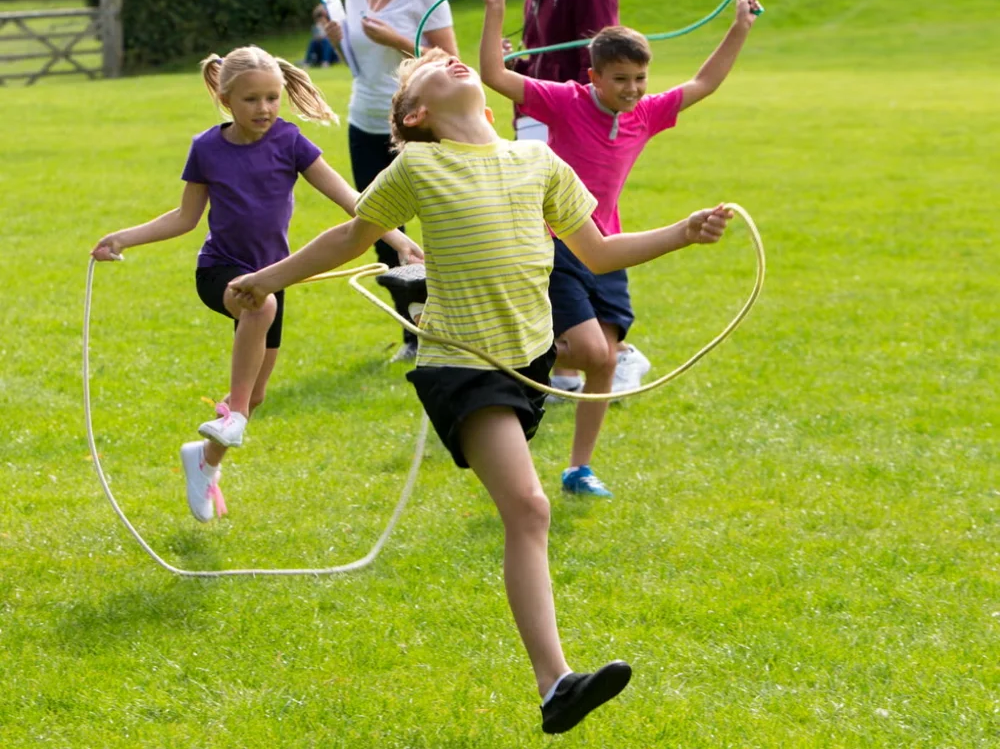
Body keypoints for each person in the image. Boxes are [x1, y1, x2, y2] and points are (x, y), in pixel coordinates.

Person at [226, 37, 733, 732]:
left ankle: (555, 684)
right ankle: (556, 683)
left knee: (528, 508)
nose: (449, 57)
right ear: (414, 115)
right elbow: (349, 238)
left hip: (524, 361)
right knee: (529, 508)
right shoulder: (419, 165)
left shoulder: (536, 160)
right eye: (431, 68)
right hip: (461, 363)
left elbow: (598, 250)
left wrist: (683, 231)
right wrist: (263, 279)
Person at [90, 45, 421, 523]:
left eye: (272, 98)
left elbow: (349, 198)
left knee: (260, 384)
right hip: (220, 271)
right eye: (251, 100)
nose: (264, 109)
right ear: (226, 100)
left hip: (273, 276)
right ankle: (235, 415)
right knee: (258, 309)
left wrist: (398, 242)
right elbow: (185, 218)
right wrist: (124, 236)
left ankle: (204, 461)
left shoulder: (290, 141)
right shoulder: (206, 147)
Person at [479, 0, 760, 498]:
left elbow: (704, 83)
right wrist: (496, 7)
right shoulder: (565, 100)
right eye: (620, 79)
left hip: (609, 246)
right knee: (589, 352)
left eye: (640, 78)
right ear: (593, 76)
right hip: (555, 240)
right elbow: (493, 73)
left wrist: (740, 26)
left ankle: (578, 469)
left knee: (605, 360)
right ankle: (510, 345)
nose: (632, 89)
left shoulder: (646, 114)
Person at [488, 0, 650, 395]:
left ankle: (614, 354)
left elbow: (602, 60)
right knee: (542, 246)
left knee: (566, 240)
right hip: (538, 129)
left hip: (568, 137)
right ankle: (572, 364)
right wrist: (525, 59)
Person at [325, 0, 459, 364]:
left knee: (439, 220)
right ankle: (412, 332)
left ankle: (451, 324)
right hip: (365, 119)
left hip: (418, 121)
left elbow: (449, 61)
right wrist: (340, 43)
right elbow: (362, 65)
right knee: (381, 226)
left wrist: (399, 39)